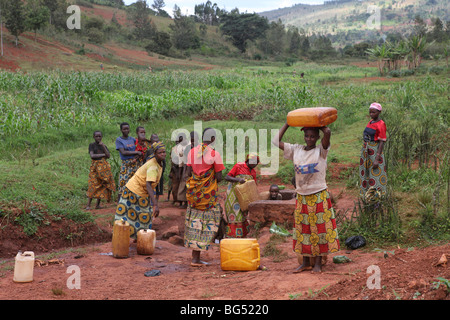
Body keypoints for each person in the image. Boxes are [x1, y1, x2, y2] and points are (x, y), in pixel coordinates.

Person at [273, 123, 340, 273]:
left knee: (320, 230)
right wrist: (287, 124)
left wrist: (318, 122)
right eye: (306, 135)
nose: (309, 139)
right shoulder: (296, 150)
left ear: (317, 137)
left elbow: (328, 131)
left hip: (318, 194)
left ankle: (318, 264)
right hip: (302, 196)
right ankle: (305, 262)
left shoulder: (321, 150)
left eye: (312, 136)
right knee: (303, 231)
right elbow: (275, 141)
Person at [184, 128, 225, 266]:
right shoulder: (214, 154)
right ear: (213, 139)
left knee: (195, 222)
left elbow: (189, 172)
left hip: (194, 194)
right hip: (208, 196)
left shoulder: (191, 152)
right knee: (208, 223)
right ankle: (196, 258)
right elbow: (219, 178)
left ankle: (195, 257)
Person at [115, 142, 166, 239]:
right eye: (160, 152)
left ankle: (138, 238)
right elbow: (148, 185)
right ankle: (126, 237)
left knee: (143, 215)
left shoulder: (159, 162)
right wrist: (155, 204)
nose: (163, 154)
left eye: (164, 152)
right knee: (138, 215)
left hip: (141, 191)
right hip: (134, 190)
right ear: (155, 154)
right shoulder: (153, 166)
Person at [223, 153, 260, 238]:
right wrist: (238, 179)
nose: (255, 164)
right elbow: (227, 177)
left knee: (243, 215)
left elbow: (254, 185)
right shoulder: (239, 166)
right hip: (233, 196)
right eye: (254, 162)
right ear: (248, 160)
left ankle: (242, 235)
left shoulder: (253, 172)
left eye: (257, 162)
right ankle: (232, 236)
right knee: (234, 214)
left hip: (244, 197)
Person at [360, 102, 388, 202]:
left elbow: (381, 142)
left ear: (379, 112)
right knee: (366, 172)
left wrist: (377, 158)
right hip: (366, 151)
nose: (371, 114)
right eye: (370, 112)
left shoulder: (381, 124)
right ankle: (366, 196)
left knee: (375, 173)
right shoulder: (371, 122)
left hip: (375, 151)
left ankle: (377, 197)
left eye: (374, 112)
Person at [86, 131, 116, 210]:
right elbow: (92, 156)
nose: (98, 138)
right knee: (93, 184)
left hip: (103, 168)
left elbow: (108, 155)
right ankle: (88, 205)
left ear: (101, 137)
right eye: (96, 136)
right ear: (94, 137)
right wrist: (103, 155)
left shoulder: (103, 145)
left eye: (99, 136)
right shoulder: (92, 145)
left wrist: (103, 146)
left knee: (102, 184)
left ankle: (97, 205)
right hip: (95, 168)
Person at [116, 122, 142, 200]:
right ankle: (120, 203)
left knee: (135, 183)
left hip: (135, 163)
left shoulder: (133, 139)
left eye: (127, 128)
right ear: (121, 130)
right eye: (124, 129)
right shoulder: (119, 140)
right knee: (123, 182)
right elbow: (123, 152)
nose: (126, 130)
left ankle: (133, 201)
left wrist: (136, 157)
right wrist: (136, 152)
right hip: (126, 164)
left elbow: (139, 149)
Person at [177, 131, 198, 209]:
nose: (193, 142)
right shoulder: (188, 149)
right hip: (189, 169)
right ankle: (186, 203)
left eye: (194, 140)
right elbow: (185, 161)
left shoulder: (201, 148)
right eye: (192, 140)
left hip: (198, 170)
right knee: (186, 186)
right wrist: (184, 172)